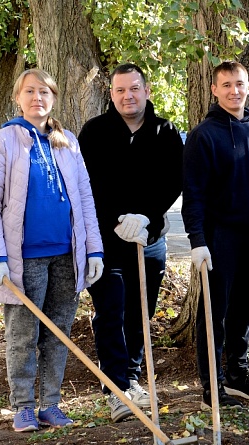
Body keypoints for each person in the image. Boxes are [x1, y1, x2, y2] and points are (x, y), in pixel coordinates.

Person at [0, 68, 104, 432]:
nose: (38, 98)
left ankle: (50, 404)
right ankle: (23, 406)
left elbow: (84, 199)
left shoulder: (68, 141)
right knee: (23, 334)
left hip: (66, 254)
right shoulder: (2, 141)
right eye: (30, 91)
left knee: (58, 333)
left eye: (45, 92)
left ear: (53, 98)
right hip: (23, 257)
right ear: (18, 97)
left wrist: (93, 250)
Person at [78, 63, 184, 423]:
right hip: (107, 240)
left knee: (141, 310)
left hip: (149, 239)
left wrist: (147, 217)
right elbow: (88, 185)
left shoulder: (166, 132)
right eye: (121, 90)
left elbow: (173, 182)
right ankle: (116, 387)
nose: (128, 96)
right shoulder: (94, 133)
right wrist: (117, 221)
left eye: (134, 88)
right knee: (112, 310)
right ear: (111, 94)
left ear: (147, 90)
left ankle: (133, 376)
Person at [182, 61, 249, 409]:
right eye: (226, 85)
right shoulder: (203, 135)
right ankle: (212, 387)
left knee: (244, 308)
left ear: (248, 86)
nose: (233, 91)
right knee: (214, 312)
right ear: (214, 90)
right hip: (219, 238)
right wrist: (198, 240)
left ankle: (238, 375)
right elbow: (193, 194)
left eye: (239, 84)